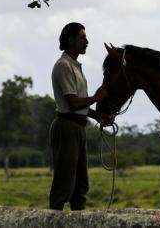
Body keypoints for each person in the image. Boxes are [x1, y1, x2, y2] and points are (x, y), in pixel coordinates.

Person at [49, 22, 112, 211]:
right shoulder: (63, 66)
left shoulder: (74, 66)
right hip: (67, 127)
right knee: (64, 183)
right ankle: (53, 220)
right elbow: (73, 103)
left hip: (77, 126)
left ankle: (79, 219)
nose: (86, 41)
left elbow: (79, 106)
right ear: (70, 40)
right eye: (82, 38)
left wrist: (99, 116)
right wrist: (96, 97)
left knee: (80, 184)